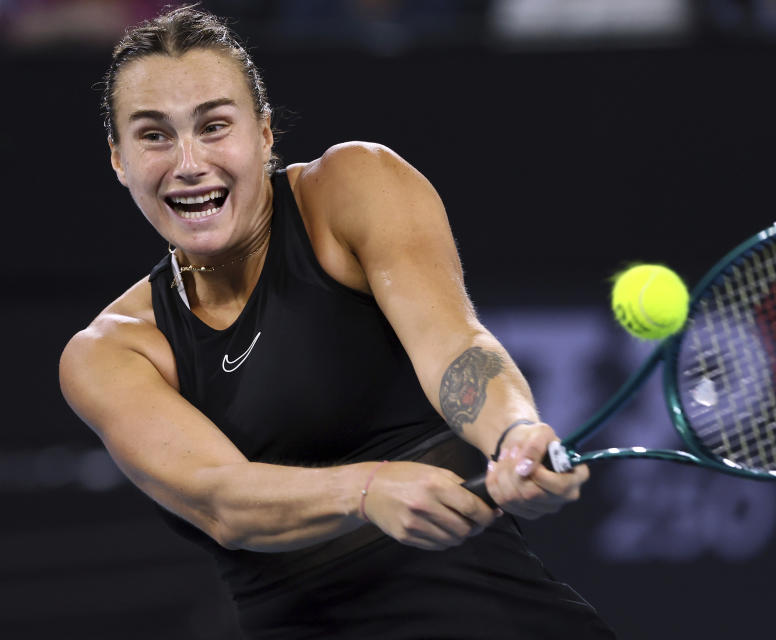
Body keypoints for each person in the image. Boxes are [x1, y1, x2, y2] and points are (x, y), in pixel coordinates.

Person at [59, 6, 615, 638]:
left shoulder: (354, 188)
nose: (189, 162)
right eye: (154, 135)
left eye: (215, 126)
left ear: (265, 134)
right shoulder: (110, 354)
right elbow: (223, 499)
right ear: (118, 160)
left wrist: (514, 433)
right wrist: (366, 491)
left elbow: (453, 344)